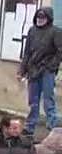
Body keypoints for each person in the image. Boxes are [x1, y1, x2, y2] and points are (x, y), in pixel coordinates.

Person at [19, 7, 62, 137]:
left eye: (42, 17)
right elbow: (26, 53)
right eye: (38, 17)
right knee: (33, 101)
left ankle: (52, 127)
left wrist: (51, 66)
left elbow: (60, 51)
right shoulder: (32, 31)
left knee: (48, 99)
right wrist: (22, 70)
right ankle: (30, 127)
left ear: (48, 18)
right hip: (33, 70)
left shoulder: (56, 32)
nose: (39, 20)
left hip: (47, 71)